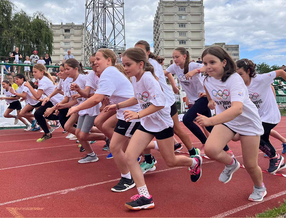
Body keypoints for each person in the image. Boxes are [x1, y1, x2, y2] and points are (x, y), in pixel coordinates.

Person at [104, 47, 202, 210]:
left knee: (170, 161)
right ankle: (145, 197)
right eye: (124, 65)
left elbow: (159, 103)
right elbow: (138, 98)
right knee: (130, 156)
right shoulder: (135, 79)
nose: (125, 68)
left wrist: (138, 115)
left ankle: (194, 162)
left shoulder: (149, 78)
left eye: (128, 65)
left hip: (162, 124)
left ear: (140, 64)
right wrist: (118, 105)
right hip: (147, 123)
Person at [195, 46, 266, 202]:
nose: (208, 66)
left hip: (248, 123)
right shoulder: (206, 78)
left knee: (250, 165)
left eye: (212, 62)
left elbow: (237, 109)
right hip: (228, 121)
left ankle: (259, 187)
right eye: (205, 63)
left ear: (224, 62)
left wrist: (210, 121)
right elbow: (208, 87)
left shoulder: (234, 79)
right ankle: (231, 164)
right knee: (211, 150)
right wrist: (210, 100)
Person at [67, 48, 141, 193]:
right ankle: (129, 176)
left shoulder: (109, 73)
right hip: (123, 113)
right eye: (94, 61)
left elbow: (96, 98)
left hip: (132, 114)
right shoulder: (108, 74)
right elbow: (102, 97)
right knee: (119, 146)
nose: (95, 62)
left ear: (109, 60)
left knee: (124, 147)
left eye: (98, 59)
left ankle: (133, 180)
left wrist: (76, 108)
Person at [135, 40, 199, 173]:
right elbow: (167, 72)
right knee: (144, 127)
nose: (138, 54)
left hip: (165, 103)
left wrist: (173, 87)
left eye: (141, 51)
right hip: (152, 104)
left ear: (147, 52)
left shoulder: (150, 65)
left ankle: (193, 152)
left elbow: (156, 82)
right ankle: (148, 159)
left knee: (177, 128)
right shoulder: (141, 66)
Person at [236, 59, 286, 173]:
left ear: (248, 71)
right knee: (262, 139)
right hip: (258, 117)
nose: (239, 77)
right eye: (236, 75)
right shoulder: (239, 85)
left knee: (253, 136)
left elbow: (281, 72)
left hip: (270, 115)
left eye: (241, 74)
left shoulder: (260, 78)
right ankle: (276, 159)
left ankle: (276, 158)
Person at [165, 47, 231, 155]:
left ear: (184, 56)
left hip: (203, 97)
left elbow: (207, 68)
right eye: (173, 57)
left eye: (177, 57)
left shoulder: (191, 65)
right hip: (195, 99)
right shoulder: (174, 67)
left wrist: (195, 71)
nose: (175, 59)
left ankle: (205, 143)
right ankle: (227, 149)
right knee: (209, 126)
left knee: (187, 119)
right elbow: (164, 73)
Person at [24, 64, 64, 142]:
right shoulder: (41, 79)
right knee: (38, 114)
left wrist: (29, 86)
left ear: (42, 72)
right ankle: (47, 133)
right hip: (51, 100)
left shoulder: (43, 81)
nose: (33, 73)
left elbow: (37, 96)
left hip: (58, 100)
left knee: (63, 120)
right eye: (33, 72)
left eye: (35, 72)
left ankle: (63, 118)